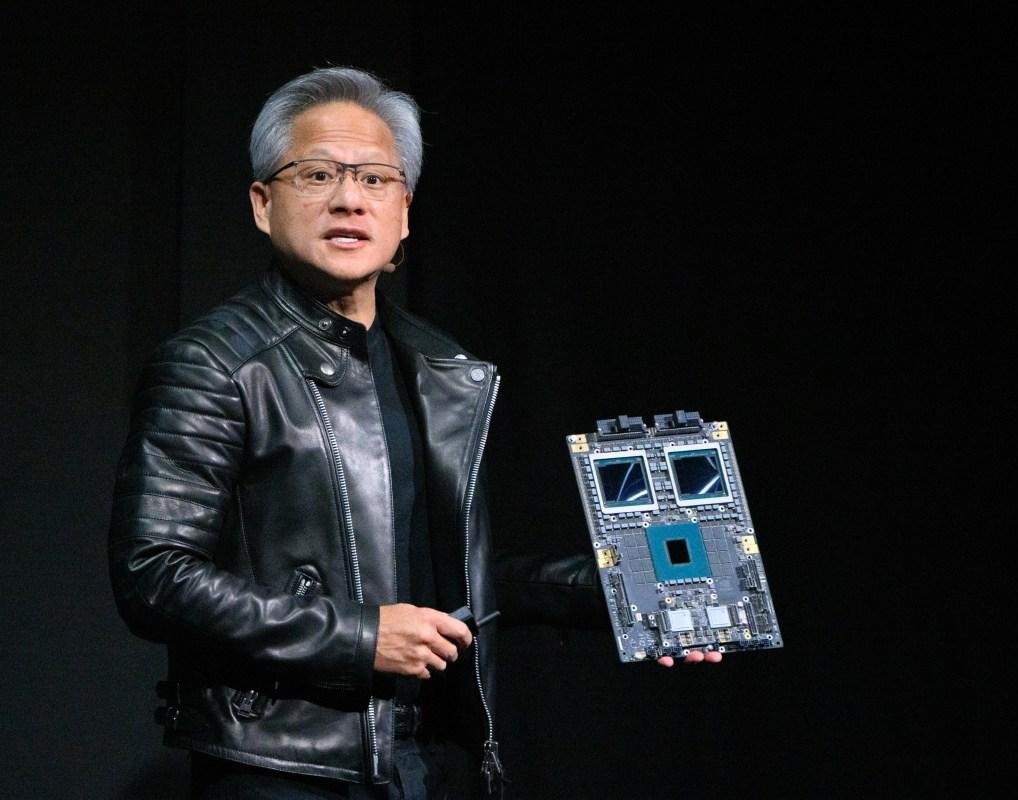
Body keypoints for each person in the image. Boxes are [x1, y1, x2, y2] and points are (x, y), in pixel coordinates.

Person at [108, 65, 719, 800]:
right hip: (280, 765)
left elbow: (448, 576)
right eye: (317, 174)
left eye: (374, 179)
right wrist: (364, 636)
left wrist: (626, 594)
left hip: (420, 760)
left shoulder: (438, 365)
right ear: (263, 205)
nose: (348, 199)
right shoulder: (214, 363)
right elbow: (154, 575)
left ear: (404, 213)